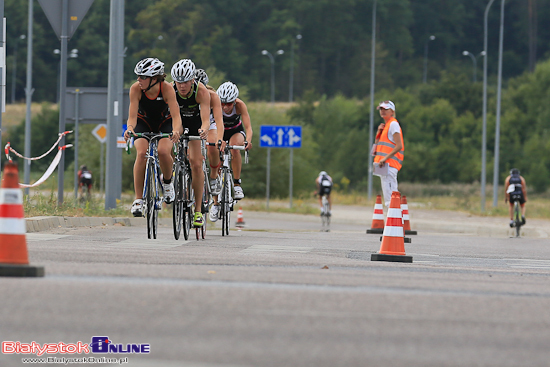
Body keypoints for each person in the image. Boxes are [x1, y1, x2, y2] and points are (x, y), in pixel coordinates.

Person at [124, 58, 182, 217]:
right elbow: (132, 116)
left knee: (164, 151)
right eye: (138, 76)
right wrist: (129, 128)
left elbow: (176, 116)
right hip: (144, 122)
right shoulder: (136, 89)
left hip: (165, 123)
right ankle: (138, 200)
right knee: (141, 153)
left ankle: (168, 184)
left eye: (142, 77)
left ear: (154, 78)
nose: (138, 80)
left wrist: (176, 130)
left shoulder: (167, 89)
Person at [171, 59, 211, 227]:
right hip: (177, 122)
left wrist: (203, 130)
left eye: (186, 81)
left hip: (195, 125)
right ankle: (171, 174)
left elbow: (206, 119)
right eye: (178, 82)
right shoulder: (170, 90)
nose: (182, 86)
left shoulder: (201, 91)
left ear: (193, 80)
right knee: (165, 148)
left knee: (196, 164)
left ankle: (198, 211)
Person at [216, 81, 252, 201]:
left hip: (235, 131)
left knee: (234, 147)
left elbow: (248, 128)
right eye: (222, 103)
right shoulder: (215, 105)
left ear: (234, 101)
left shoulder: (240, 105)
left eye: (229, 104)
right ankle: (216, 196)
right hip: (219, 131)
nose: (225, 107)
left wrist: (248, 141)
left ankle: (236, 184)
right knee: (216, 153)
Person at [372, 100, 404, 207]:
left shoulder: (393, 124)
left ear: (392, 111)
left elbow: (399, 146)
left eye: (385, 109)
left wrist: (385, 158)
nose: (382, 111)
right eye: (381, 109)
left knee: (391, 200)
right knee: (389, 200)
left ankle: (395, 222)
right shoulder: (385, 126)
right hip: (384, 166)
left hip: (389, 165)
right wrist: (378, 134)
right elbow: (374, 151)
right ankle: (393, 222)